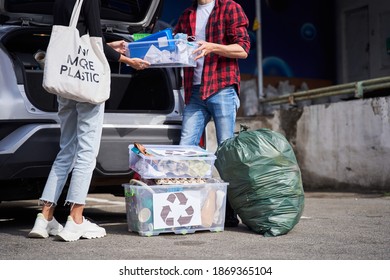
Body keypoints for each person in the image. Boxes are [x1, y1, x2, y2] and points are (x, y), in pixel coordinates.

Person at [28, 0, 150, 242]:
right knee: (86, 151)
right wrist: (128, 61)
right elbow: (94, 42)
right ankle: (75, 220)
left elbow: (79, 39)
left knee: (67, 150)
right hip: (87, 83)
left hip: (65, 80)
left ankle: (44, 218)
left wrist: (111, 46)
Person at [174, 0, 250, 227]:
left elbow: (243, 49)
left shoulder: (229, 7)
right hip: (195, 93)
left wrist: (212, 46)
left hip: (222, 88)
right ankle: (186, 208)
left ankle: (229, 211)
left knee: (226, 152)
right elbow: (174, 45)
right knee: (185, 149)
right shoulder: (188, 15)